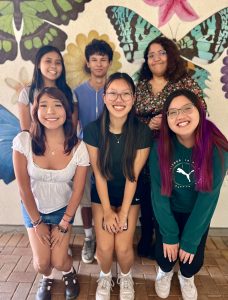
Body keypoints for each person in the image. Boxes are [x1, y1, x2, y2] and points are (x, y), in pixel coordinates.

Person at [149, 89, 228, 300]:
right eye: (173, 112)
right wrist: (170, 235)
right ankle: (164, 272)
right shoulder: (159, 147)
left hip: (196, 213)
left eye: (186, 109)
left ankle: (186, 277)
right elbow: (158, 195)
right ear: (166, 119)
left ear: (200, 111)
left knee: (190, 262)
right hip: (169, 210)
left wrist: (191, 240)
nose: (180, 116)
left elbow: (207, 200)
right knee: (165, 258)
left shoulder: (219, 149)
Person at [13, 87, 89, 300]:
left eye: (57, 105)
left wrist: (64, 224)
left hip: (63, 210)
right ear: (35, 111)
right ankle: (46, 278)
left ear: (66, 111)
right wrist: (37, 223)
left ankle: (68, 271)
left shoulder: (78, 147)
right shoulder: (23, 141)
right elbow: (23, 188)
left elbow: (78, 190)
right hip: (33, 209)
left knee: (59, 261)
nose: (51, 111)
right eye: (44, 105)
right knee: (42, 264)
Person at [135, 36, 207, 258]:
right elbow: (128, 119)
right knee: (147, 196)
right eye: (150, 55)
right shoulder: (140, 86)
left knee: (171, 196)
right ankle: (147, 237)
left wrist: (168, 122)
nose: (155, 58)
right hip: (144, 150)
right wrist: (149, 123)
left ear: (171, 55)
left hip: (174, 151)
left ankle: (173, 240)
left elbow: (200, 112)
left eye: (161, 53)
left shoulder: (185, 83)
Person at [84, 72, 152, 300]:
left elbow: (132, 176)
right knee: (104, 248)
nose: (119, 99)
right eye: (113, 93)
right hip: (101, 195)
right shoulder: (93, 130)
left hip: (129, 196)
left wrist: (122, 213)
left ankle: (126, 276)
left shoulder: (142, 132)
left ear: (133, 98)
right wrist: (106, 210)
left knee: (123, 247)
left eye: (125, 94)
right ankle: (105, 276)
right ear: (104, 97)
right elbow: (98, 174)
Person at [73, 39, 113, 264]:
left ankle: (109, 234)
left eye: (103, 59)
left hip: (112, 153)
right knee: (86, 198)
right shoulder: (78, 91)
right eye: (94, 60)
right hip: (85, 154)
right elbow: (74, 125)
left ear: (109, 63)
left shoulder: (115, 88)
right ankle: (89, 238)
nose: (98, 64)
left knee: (111, 193)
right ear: (87, 63)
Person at [18, 45, 78, 131]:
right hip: (34, 143)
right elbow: (26, 132)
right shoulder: (27, 93)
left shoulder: (69, 92)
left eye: (58, 62)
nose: (53, 66)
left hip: (64, 143)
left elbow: (72, 130)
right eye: (48, 61)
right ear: (38, 64)